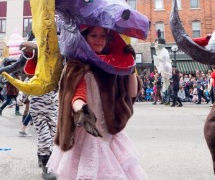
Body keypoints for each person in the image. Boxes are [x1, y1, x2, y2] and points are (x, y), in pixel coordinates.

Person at [47, 26, 147, 179]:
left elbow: (132, 93)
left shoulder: (114, 65)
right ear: (84, 38)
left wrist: (130, 67)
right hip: (89, 135)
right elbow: (75, 95)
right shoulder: (77, 66)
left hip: (111, 133)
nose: (99, 40)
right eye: (94, 35)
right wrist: (82, 111)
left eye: (103, 36)